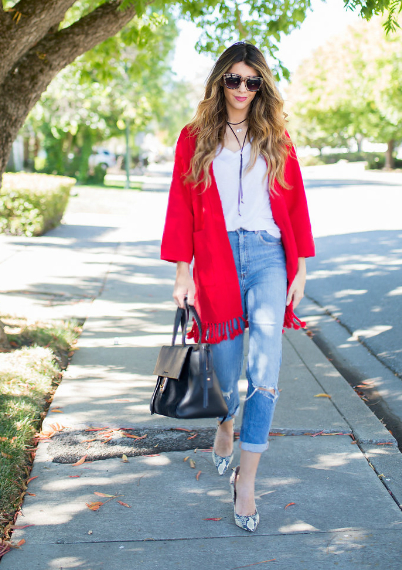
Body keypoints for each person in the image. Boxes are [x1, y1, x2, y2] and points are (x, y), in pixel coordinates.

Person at [160, 41, 315, 532]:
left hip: (268, 253)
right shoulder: (194, 137)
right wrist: (181, 271)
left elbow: (294, 203)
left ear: (261, 84)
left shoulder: (276, 136)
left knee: (265, 366)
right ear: (219, 81)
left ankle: (246, 482)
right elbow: (181, 205)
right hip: (216, 258)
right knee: (224, 375)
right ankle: (224, 424)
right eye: (234, 80)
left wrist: (301, 268)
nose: (243, 89)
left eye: (252, 81)